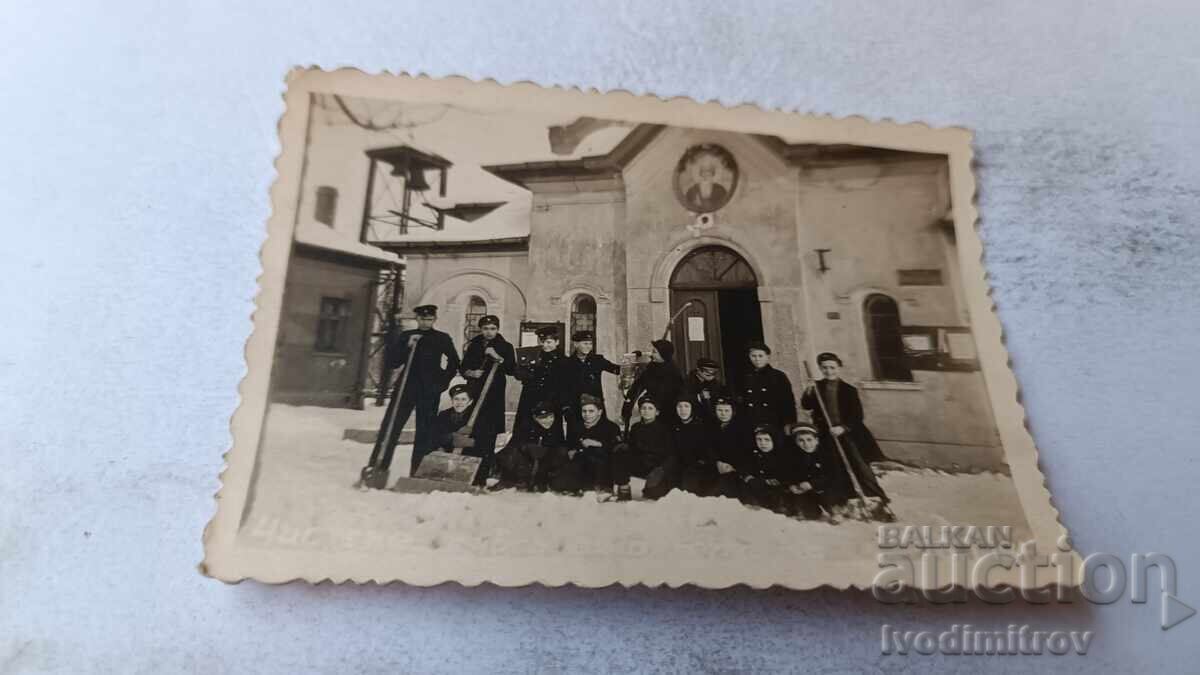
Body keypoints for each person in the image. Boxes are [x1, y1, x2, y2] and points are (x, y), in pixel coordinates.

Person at [369, 304, 460, 484]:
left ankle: (417, 472)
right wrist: (407, 347)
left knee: (424, 432)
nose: (425, 322)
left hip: (429, 390)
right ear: (416, 319)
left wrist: (441, 382)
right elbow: (393, 362)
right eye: (422, 319)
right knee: (391, 427)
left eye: (429, 319)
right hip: (405, 388)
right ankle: (378, 468)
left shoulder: (441, 338)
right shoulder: (406, 336)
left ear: (434, 320)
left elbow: (454, 362)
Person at [800, 351, 890, 504]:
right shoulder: (817, 386)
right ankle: (845, 496)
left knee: (859, 465)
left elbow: (857, 416)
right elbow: (806, 405)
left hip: (849, 434)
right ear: (820, 369)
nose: (829, 371)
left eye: (832, 367)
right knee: (833, 465)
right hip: (826, 433)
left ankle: (875, 497)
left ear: (839, 368)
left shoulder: (849, 390)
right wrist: (808, 390)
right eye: (825, 368)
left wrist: (843, 427)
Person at [459, 314, 516, 453]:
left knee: (490, 429)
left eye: (493, 328)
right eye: (485, 328)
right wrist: (471, 373)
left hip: (493, 392)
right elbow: (463, 367)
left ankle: (486, 462)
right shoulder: (473, 345)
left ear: (497, 329)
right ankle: (469, 461)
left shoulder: (506, 346)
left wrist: (497, 357)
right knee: (471, 426)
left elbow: (511, 369)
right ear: (480, 329)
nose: (489, 332)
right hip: (474, 390)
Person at [550, 394, 624, 501]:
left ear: (599, 412)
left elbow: (618, 447)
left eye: (591, 411)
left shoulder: (610, 427)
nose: (587, 414)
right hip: (582, 463)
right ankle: (578, 486)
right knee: (559, 483)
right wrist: (572, 449)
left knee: (597, 453)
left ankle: (603, 488)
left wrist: (598, 443)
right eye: (584, 411)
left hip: (602, 467)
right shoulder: (577, 427)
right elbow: (571, 443)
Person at [428, 384, 499, 486]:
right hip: (449, 456)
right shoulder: (444, 415)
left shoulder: (480, 417)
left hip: (471, 457)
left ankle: (479, 480)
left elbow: (488, 443)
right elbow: (434, 436)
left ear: (470, 402)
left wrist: (472, 442)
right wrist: (451, 437)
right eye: (456, 399)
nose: (459, 403)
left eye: (463, 399)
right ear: (452, 400)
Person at [611, 398, 677, 501]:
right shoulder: (636, 427)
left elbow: (671, 455)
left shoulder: (664, 429)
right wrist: (623, 446)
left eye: (650, 408)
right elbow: (631, 447)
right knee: (620, 453)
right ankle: (624, 490)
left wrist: (660, 470)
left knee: (653, 496)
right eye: (643, 408)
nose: (646, 411)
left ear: (657, 412)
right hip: (640, 462)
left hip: (656, 466)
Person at [557, 330, 621, 435]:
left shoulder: (598, 360)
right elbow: (562, 387)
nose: (588, 346)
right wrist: (566, 408)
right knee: (575, 437)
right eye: (585, 343)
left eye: (590, 344)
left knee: (598, 435)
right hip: (575, 408)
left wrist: (630, 363)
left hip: (595, 406)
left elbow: (616, 369)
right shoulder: (566, 363)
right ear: (576, 344)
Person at [494, 402, 566, 491]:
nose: (548, 420)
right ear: (535, 418)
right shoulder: (526, 430)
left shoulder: (555, 434)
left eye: (551, 417)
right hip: (524, 472)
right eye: (543, 418)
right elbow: (507, 454)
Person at [787, 423, 849, 520]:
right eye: (801, 440)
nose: (806, 444)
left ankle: (835, 510)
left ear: (817, 441)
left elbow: (833, 476)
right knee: (809, 513)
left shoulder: (826, 455)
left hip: (827, 488)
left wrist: (812, 484)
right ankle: (809, 510)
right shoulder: (795, 456)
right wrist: (792, 485)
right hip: (807, 491)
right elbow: (791, 474)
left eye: (809, 440)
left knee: (830, 496)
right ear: (796, 442)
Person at [737, 425, 801, 515]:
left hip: (778, 492)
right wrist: (749, 478)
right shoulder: (754, 454)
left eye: (767, 440)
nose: (763, 443)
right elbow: (743, 468)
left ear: (774, 440)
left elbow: (784, 478)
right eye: (759, 440)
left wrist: (762, 481)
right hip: (758, 488)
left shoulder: (783, 456)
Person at [622, 339, 684, 428]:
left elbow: (671, 396)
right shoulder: (651, 367)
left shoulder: (673, 373)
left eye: (654, 352)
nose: (651, 354)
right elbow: (638, 385)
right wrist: (628, 405)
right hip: (648, 412)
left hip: (665, 417)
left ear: (663, 354)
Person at [515, 326, 567, 431]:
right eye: (542, 342)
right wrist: (524, 373)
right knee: (527, 429)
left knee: (551, 431)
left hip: (552, 400)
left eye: (549, 342)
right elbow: (518, 374)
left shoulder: (564, 360)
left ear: (557, 342)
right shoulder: (532, 355)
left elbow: (566, 384)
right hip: (531, 398)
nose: (545, 345)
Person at [738, 342, 797, 433]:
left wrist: (788, 423)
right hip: (751, 422)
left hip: (773, 422)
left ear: (768, 357)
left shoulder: (778, 376)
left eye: (760, 356)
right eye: (753, 356)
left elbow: (788, 402)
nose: (757, 359)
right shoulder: (744, 377)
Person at [673, 396, 718, 496]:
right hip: (681, 466)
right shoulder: (675, 426)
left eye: (686, 406)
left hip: (700, 467)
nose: (683, 410)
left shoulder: (701, 426)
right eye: (679, 406)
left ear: (692, 408)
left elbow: (708, 453)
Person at [711, 396, 751, 499]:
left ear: (733, 411)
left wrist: (732, 467)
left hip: (735, 468)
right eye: (719, 410)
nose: (723, 414)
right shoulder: (711, 427)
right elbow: (709, 448)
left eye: (726, 410)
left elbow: (745, 452)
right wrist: (717, 462)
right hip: (717, 466)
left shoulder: (742, 429)